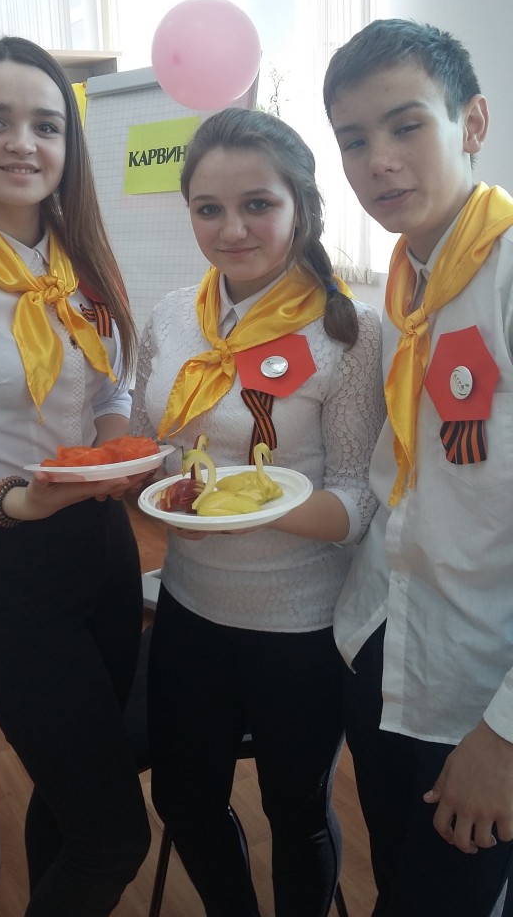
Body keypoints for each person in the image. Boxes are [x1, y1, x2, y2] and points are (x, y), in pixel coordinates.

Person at [129, 106, 385, 917]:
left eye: (257, 205)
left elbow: (357, 500)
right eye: (209, 208)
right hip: (189, 603)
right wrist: (126, 471)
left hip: (301, 622)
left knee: (296, 810)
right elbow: (149, 443)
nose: (231, 229)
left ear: (301, 206)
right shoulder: (174, 317)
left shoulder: (351, 334)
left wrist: (244, 501)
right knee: (183, 797)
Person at [0, 36, 151, 917]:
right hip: (4, 563)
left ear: (70, 144)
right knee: (116, 835)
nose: (23, 143)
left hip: (102, 548)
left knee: (72, 802)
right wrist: (15, 500)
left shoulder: (79, 264)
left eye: (46, 125)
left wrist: (113, 450)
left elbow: (111, 389)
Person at [322, 17, 513, 917]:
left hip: (478, 691)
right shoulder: (406, 285)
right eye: (354, 141)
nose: (379, 162)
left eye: (406, 126)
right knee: (396, 882)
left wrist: (505, 737)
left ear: (471, 123)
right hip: (385, 645)